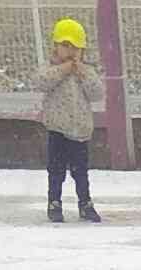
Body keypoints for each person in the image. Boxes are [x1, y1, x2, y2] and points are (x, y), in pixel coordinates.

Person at [39, 17, 103, 225]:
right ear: (56, 47)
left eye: (76, 47)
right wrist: (62, 70)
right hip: (57, 128)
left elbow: (96, 93)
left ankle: (85, 203)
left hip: (80, 130)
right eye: (66, 46)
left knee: (80, 171)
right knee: (56, 169)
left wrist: (83, 74)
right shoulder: (50, 69)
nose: (71, 51)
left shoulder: (85, 72)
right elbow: (42, 82)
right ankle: (54, 202)